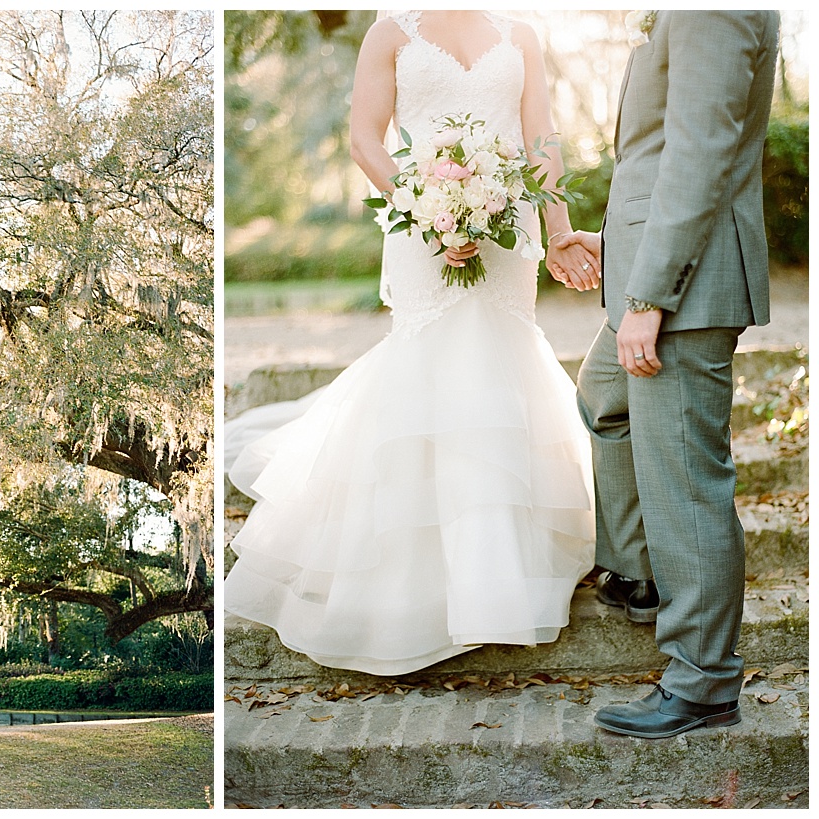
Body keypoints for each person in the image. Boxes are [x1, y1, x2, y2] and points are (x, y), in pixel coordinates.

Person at [224, 10, 599, 676]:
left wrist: (559, 229)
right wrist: (426, 210)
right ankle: (421, 581)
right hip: (421, 224)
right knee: (436, 360)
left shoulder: (521, 31)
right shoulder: (391, 29)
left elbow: (541, 137)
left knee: (499, 361)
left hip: (509, 228)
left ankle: (500, 573)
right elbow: (365, 139)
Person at [555, 10, 779, 738]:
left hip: (686, 284)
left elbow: (701, 150)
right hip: (652, 264)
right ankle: (641, 573)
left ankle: (704, 679)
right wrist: (617, 240)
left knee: (685, 480)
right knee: (603, 400)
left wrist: (650, 294)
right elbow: (655, 156)